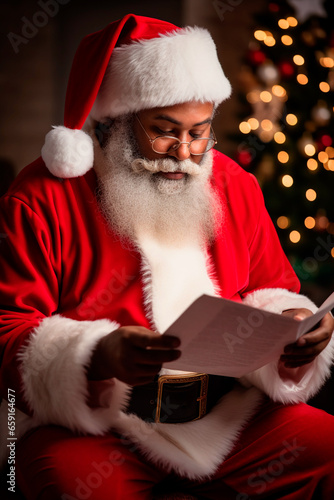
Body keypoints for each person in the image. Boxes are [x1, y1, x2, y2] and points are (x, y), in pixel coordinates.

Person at [0, 13, 333, 500]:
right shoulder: (40, 199)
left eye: (200, 131)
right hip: (99, 422)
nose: (184, 152)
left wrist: (297, 324)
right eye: (164, 130)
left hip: (226, 412)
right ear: (114, 122)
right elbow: (8, 324)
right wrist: (98, 355)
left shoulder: (234, 186)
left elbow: (270, 286)